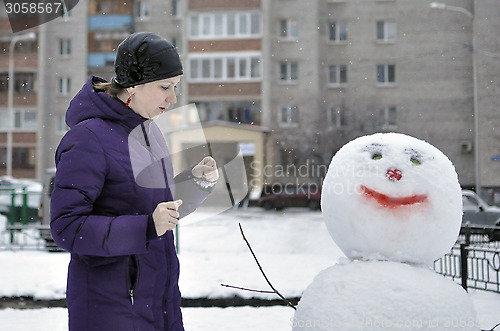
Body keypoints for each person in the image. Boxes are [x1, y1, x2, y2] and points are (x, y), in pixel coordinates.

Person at [50, 32, 219, 331]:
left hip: (158, 306)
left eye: (176, 87)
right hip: (111, 311)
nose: (173, 98)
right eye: (165, 86)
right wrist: (145, 228)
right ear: (133, 85)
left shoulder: (149, 134)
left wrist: (194, 183)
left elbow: (154, 207)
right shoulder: (87, 138)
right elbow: (67, 227)